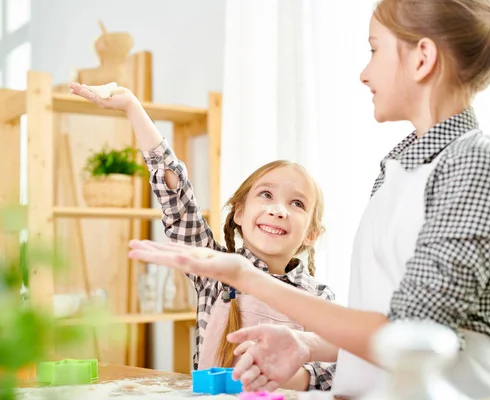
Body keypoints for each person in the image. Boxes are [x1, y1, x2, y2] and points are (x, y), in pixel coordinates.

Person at [127, 0, 490, 397]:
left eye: (374, 50)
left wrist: (250, 279)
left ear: (422, 58)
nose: (364, 73)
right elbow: (381, 322)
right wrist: (306, 343)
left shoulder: (474, 166)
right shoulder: (397, 168)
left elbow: (412, 333)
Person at [68, 82, 337, 392]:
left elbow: (339, 369)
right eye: (266, 195)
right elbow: (178, 200)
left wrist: (289, 376)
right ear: (238, 212)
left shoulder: (320, 297)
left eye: (297, 203)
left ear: (312, 234)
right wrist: (133, 108)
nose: (278, 210)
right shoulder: (216, 270)